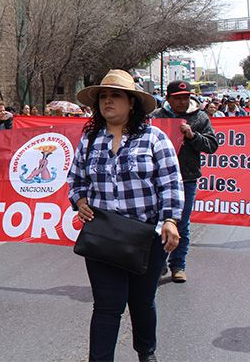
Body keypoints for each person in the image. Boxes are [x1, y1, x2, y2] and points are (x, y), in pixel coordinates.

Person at [67, 69, 183, 362]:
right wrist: (79, 200)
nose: (107, 101)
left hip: (146, 237)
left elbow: (170, 182)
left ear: (132, 103)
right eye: (103, 97)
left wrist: (170, 220)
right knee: (107, 306)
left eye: (115, 96)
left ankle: (146, 352)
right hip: (102, 237)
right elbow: (76, 180)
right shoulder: (91, 140)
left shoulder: (154, 138)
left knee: (142, 302)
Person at [150, 80, 218, 283]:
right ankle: (158, 263)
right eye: (178, 98)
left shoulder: (200, 117)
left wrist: (192, 135)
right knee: (156, 222)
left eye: (186, 97)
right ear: (168, 99)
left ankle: (178, 266)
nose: (182, 101)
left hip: (186, 179)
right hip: (157, 179)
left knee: (182, 224)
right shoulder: (156, 117)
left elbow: (212, 145)